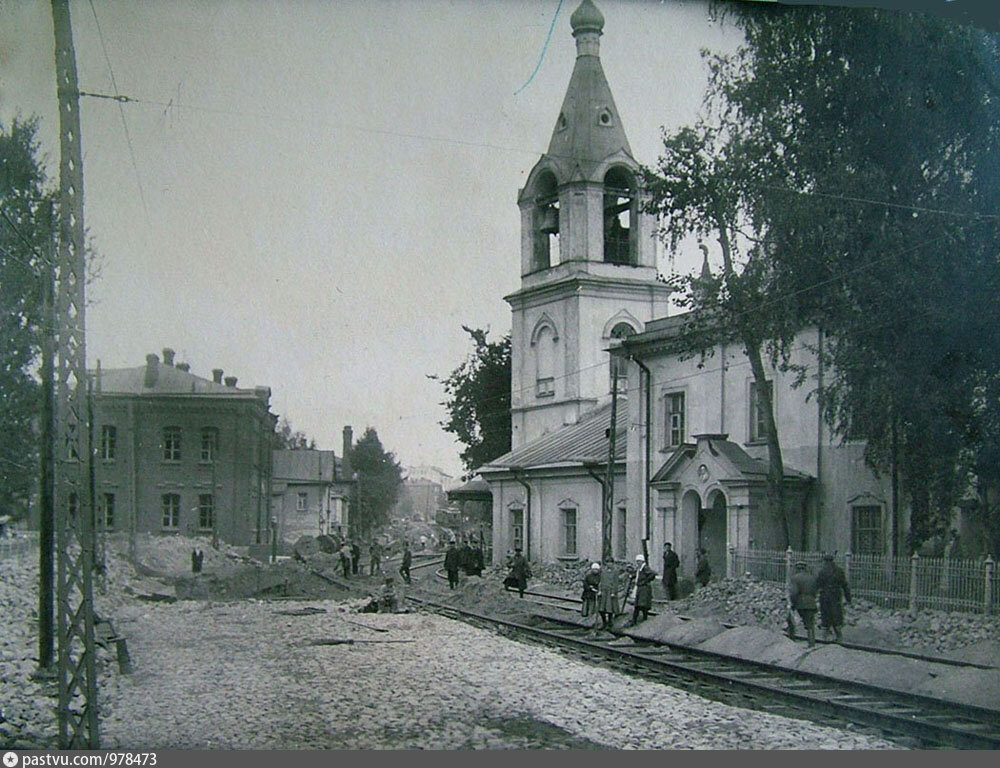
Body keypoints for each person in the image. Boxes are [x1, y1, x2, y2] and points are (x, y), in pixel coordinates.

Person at [816, 553, 851, 642]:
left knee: (825, 615)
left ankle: (825, 636)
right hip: (836, 596)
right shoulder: (839, 571)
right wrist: (848, 598)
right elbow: (845, 585)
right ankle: (839, 636)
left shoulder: (822, 571)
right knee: (836, 615)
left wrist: (814, 594)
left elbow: (817, 584)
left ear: (825, 561)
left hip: (825, 596)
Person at [788, 560, 820, 648]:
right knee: (810, 625)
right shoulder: (812, 578)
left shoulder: (795, 578)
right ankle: (811, 643)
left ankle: (791, 640)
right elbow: (815, 591)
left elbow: (794, 593)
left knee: (791, 620)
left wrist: (793, 604)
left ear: (797, 568)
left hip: (800, 603)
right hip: (811, 603)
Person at [628, 554, 657, 626]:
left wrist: (645, 581)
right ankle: (640, 619)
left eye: (639, 561)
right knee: (639, 604)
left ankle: (640, 620)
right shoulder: (640, 569)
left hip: (644, 588)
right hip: (640, 588)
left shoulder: (645, 568)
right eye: (637, 561)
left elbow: (653, 574)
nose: (638, 563)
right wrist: (632, 576)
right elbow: (638, 575)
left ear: (642, 561)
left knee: (640, 605)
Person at [596, 560, 620, 630]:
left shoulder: (615, 572)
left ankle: (610, 622)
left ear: (613, 563)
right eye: (608, 562)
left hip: (610, 592)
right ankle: (604, 622)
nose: (609, 564)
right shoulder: (603, 571)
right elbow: (601, 581)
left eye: (611, 563)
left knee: (610, 608)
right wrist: (599, 590)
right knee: (601, 608)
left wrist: (613, 592)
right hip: (604, 591)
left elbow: (616, 583)